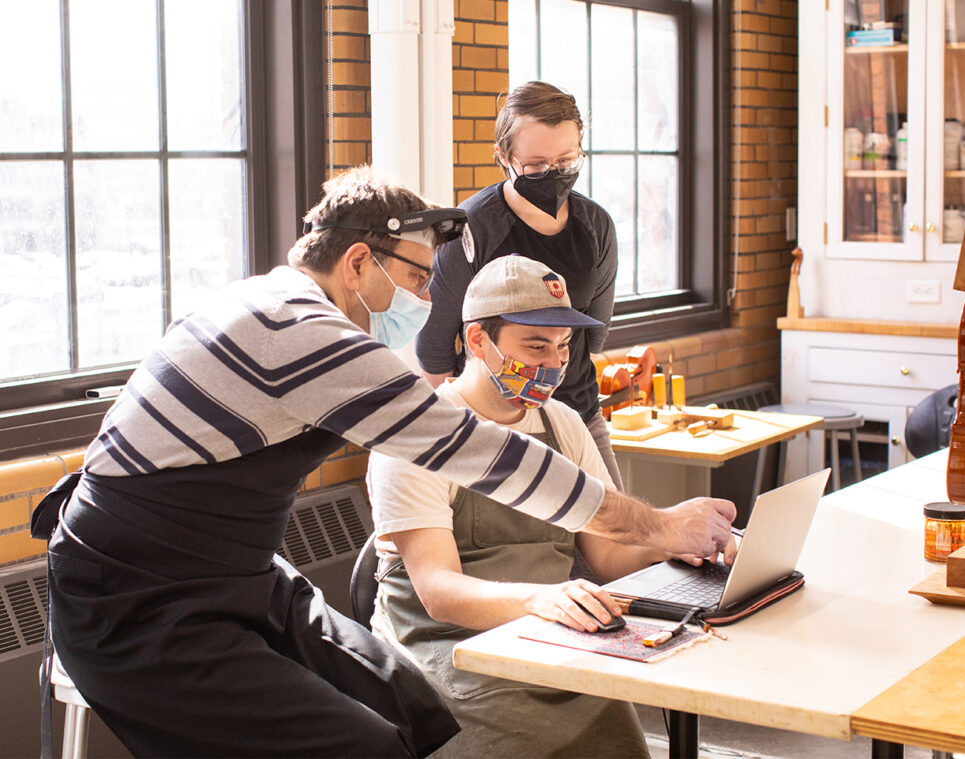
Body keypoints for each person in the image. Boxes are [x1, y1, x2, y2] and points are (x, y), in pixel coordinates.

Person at [33, 165, 735, 758]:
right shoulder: (298, 329)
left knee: (413, 708)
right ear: (359, 262)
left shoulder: (273, 306)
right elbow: (479, 451)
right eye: (418, 277)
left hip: (235, 578)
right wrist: (658, 525)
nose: (426, 299)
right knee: (362, 744)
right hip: (136, 601)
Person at [369, 255, 712, 757]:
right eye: (534, 345)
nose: (552, 364)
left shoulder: (562, 424)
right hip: (449, 651)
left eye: (563, 347)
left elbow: (607, 557)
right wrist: (540, 600)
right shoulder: (419, 437)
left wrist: (673, 548)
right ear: (477, 340)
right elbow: (439, 593)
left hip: (553, 641)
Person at [416, 81, 625, 489]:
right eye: (536, 166)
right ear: (504, 157)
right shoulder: (469, 231)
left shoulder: (596, 226)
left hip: (578, 414)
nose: (553, 175)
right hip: (490, 426)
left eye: (567, 161)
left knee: (620, 537)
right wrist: (469, 433)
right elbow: (435, 350)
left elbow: (592, 339)